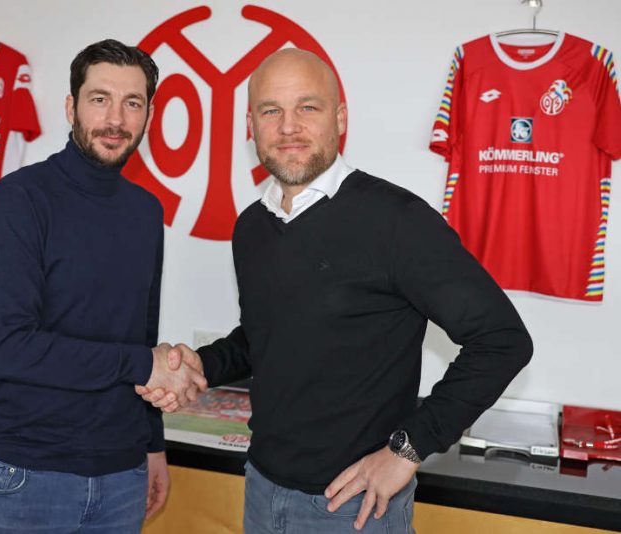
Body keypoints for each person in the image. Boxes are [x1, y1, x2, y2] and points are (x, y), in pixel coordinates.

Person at [139, 48, 533, 533]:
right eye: (271, 110)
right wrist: (203, 364)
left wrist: (407, 450)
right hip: (261, 491)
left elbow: (503, 340)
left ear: (340, 118)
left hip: (354, 509)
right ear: (250, 124)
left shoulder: (396, 221)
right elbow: (265, 336)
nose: (288, 127)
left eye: (308, 107)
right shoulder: (253, 227)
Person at [0, 39, 205, 533]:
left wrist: (152, 445)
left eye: (132, 103)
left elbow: (142, 335)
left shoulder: (145, 212)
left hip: (122, 472)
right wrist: (145, 365)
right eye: (100, 99)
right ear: (72, 106)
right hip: (27, 472)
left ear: (149, 114)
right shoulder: (19, 200)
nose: (115, 119)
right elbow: (9, 347)